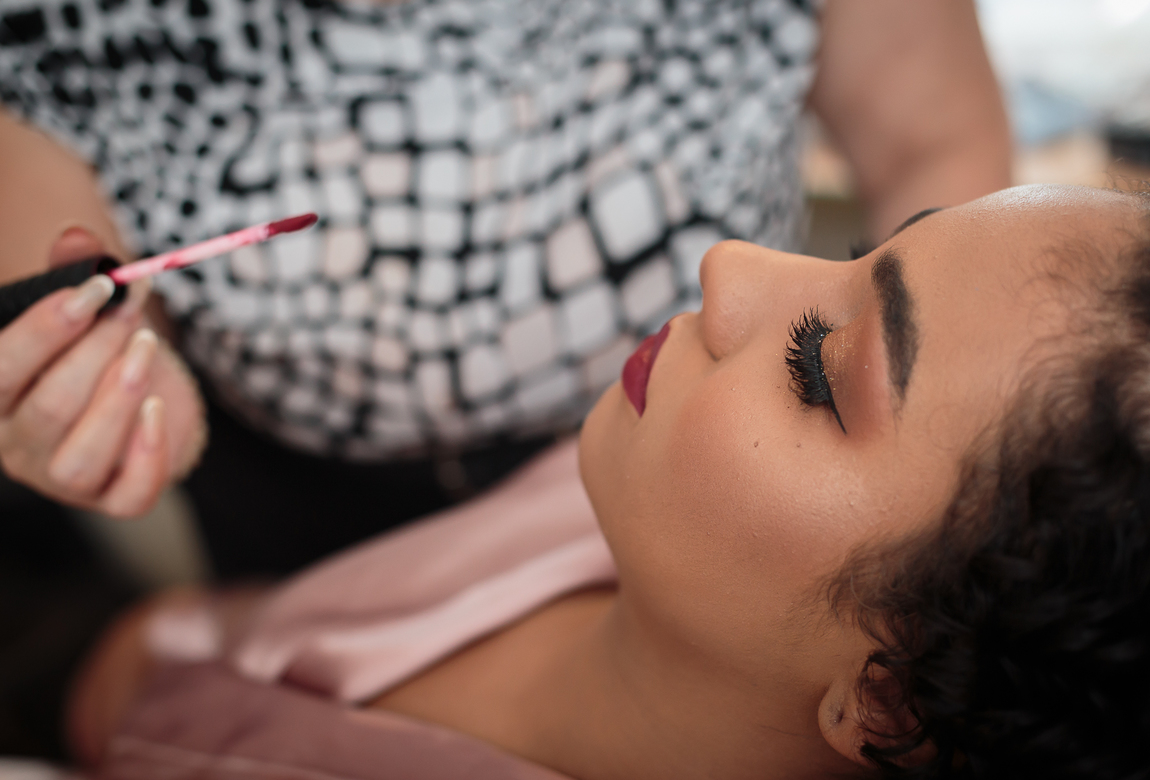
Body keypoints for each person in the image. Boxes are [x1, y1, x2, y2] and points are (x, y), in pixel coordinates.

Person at [65, 185, 1150, 780]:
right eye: (872, 248)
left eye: (817, 366)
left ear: (893, 700)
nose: (731, 264)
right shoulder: (640, 496)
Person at [0, 0, 1011, 577]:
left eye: (819, 360)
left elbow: (938, 147)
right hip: (301, 532)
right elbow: (59, 295)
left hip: (729, 520)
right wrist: (98, 392)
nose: (726, 269)